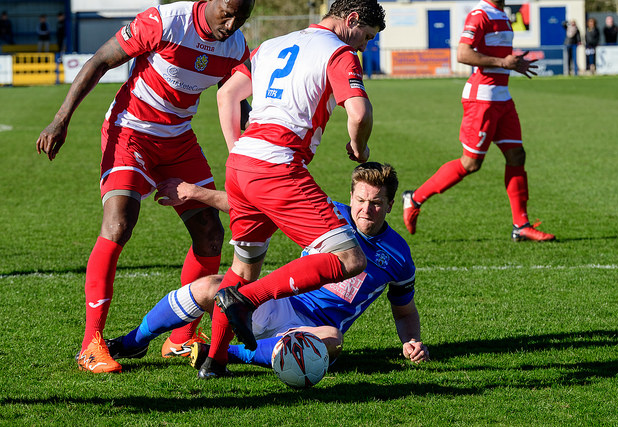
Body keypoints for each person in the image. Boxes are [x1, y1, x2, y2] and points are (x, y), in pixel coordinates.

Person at [35, 0, 254, 374]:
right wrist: (60, 120)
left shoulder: (235, 46)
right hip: (130, 132)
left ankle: (181, 337)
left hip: (179, 140)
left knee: (211, 235)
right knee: (119, 224)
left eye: (242, 18)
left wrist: (253, 139)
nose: (232, 24)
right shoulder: (165, 22)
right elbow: (100, 61)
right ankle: (91, 345)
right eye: (228, 13)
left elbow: (235, 96)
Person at [199, 0, 386, 379]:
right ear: (351, 20)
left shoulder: (272, 45)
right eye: (365, 36)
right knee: (350, 260)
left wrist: (237, 151)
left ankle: (214, 363)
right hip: (278, 164)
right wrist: (359, 146)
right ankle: (246, 300)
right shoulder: (339, 52)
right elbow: (360, 112)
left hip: (242, 162)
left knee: (243, 267)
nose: (364, 46)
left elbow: (226, 95)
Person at [106, 162, 429, 374]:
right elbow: (253, 205)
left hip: (312, 329)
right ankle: (133, 342)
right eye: (360, 200)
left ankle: (225, 353)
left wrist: (410, 341)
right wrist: (195, 193)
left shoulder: (398, 256)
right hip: (275, 301)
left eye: (376, 203)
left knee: (332, 340)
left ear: (390, 205)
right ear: (351, 197)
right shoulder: (330, 215)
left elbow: (404, 311)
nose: (366, 209)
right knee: (211, 286)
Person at [402, 0, 555, 243]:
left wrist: (514, 63)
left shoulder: (501, 14)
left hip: (502, 98)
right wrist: (503, 62)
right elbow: (463, 53)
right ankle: (415, 198)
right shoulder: (480, 14)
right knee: (471, 163)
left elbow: (497, 54)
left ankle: (521, 225)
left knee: (517, 156)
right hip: (482, 100)